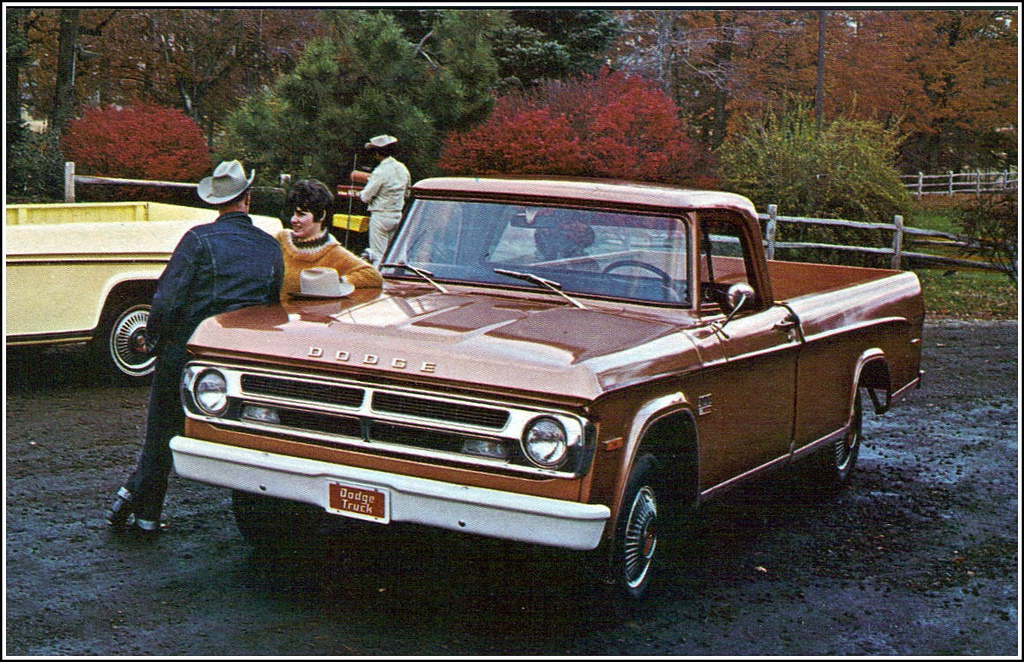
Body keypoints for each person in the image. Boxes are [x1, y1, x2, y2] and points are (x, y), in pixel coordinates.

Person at [105, 160, 285, 535]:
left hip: (187, 350)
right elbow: (271, 306)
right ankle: (128, 496)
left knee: (161, 432)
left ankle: (145, 515)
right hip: (240, 357)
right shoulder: (270, 248)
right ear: (247, 199)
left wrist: (152, 341)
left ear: (216, 203)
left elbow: (167, 299)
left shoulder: (198, 239)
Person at [277, 179, 382, 297]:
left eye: (301, 214)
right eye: (294, 214)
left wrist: (338, 282)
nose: (293, 220)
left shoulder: (334, 252)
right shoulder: (279, 239)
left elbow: (373, 276)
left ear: (321, 215)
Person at [346, 134, 410, 266]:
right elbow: (407, 193)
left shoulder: (380, 171)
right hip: (397, 214)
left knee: (378, 255)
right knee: (397, 255)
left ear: (377, 153)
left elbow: (365, 197)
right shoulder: (403, 169)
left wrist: (361, 193)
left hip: (381, 216)